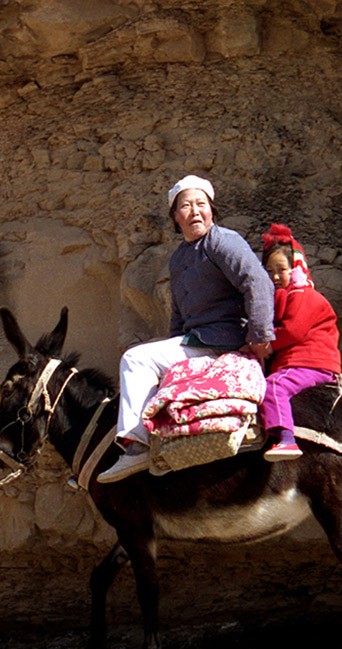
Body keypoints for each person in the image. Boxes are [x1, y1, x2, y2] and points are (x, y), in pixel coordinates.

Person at [97, 175, 276, 483]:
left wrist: (259, 336)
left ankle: (135, 445)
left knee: (135, 360)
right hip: (194, 340)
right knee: (151, 362)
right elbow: (179, 312)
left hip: (221, 340)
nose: (195, 211)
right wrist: (173, 346)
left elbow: (256, 281)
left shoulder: (223, 240)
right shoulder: (179, 258)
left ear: (211, 211)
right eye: (186, 206)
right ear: (175, 217)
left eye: (201, 204)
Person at [258, 224, 342, 461]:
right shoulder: (283, 298)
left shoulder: (302, 295)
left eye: (281, 269)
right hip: (300, 363)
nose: (275, 276)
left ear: (295, 268)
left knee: (273, 387)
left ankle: (285, 438)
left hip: (310, 363)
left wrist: (268, 344)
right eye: (269, 270)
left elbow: (293, 331)